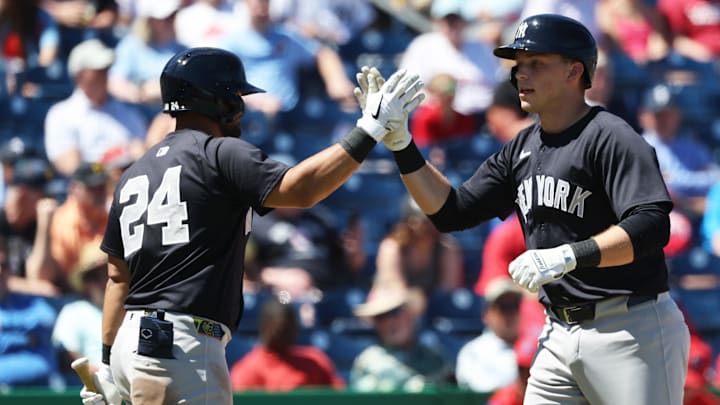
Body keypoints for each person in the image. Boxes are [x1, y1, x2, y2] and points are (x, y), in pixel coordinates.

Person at [356, 13, 690, 404]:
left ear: (574, 71)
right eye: (518, 65)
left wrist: (568, 256)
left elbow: (651, 226)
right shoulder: (522, 148)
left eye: (536, 63)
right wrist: (402, 145)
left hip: (629, 329)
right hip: (557, 333)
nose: (520, 74)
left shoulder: (612, 137)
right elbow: (452, 212)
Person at [79, 47, 423, 404]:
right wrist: (369, 129)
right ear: (216, 100)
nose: (240, 107)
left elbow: (118, 279)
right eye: (235, 96)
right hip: (180, 343)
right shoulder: (218, 152)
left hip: (130, 344)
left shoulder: (133, 173)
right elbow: (302, 190)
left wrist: (108, 363)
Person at [43, 38, 147, 177]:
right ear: (80, 75)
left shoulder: (127, 112)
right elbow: (71, 167)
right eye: (98, 70)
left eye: (105, 69)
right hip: (90, 193)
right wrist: (111, 162)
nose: (103, 75)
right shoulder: (60, 115)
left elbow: (142, 152)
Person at [229, 296, 345, 391]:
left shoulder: (315, 361)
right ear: (264, 327)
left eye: (288, 327)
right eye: (278, 329)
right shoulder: (247, 370)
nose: (284, 333)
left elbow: (339, 396)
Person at [349, 286, 453, 392]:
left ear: (410, 314)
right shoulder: (368, 362)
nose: (389, 322)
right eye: (381, 317)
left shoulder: (435, 356)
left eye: (395, 312)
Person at [248, 205, 364, 300]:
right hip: (283, 295)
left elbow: (351, 266)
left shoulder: (319, 218)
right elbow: (244, 274)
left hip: (327, 292)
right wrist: (274, 276)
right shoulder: (255, 223)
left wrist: (354, 251)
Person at [455, 278, 524, 392]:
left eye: (515, 306)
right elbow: (480, 390)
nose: (510, 313)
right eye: (504, 307)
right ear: (486, 314)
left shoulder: (535, 346)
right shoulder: (472, 352)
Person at [52, 243, 108, 374]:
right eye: (94, 276)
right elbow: (68, 356)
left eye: (108, 273)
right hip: (88, 389)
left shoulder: (131, 312)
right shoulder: (73, 312)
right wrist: (104, 378)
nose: (103, 282)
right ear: (85, 283)